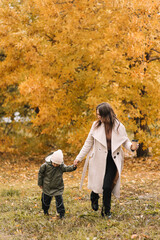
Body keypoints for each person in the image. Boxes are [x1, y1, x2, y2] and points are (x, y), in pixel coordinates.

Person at [74, 102, 138, 218]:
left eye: (100, 115)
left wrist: (132, 147)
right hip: (98, 158)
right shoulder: (95, 126)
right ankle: (94, 196)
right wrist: (78, 158)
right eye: (97, 114)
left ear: (106, 114)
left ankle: (106, 211)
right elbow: (88, 143)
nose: (98, 117)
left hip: (113, 158)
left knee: (107, 186)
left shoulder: (119, 126)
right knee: (97, 184)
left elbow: (125, 142)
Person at [38, 149, 77, 219]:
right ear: (51, 161)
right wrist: (40, 183)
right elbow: (40, 174)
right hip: (47, 186)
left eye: (57, 164)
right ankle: (45, 211)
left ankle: (61, 214)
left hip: (58, 187)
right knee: (45, 201)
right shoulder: (45, 166)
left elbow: (67, 168)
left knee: (59, 202)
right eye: (54, 164)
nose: (56, 165)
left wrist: (73, 167)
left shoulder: (61, 166)